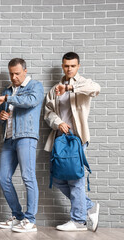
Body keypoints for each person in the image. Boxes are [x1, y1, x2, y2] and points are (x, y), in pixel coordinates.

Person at [44, 52, 101, 232]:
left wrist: (69, 89)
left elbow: (96, 88)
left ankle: (78, 221)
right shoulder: (54, 89)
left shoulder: (84, 83)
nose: (69, 69)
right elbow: (48, 112)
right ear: (62, 66)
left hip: (78, 139)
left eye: (73, 66)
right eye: (66, 66)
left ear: (78, 66)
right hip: (61, 139)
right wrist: (58, 122)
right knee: (59, 178)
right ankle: (88, 206)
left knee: (76, 179)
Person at [0, 58, 44, 233]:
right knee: (2, 177)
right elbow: (3, 116)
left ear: (25, 71)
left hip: (26, 137)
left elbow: (29, 102)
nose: (13, 77)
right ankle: (18, 216)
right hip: (9, 138)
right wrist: (2, 117)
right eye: (11, 73)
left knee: (28, 177)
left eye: (17, 73)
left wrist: (7, 98)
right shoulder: (7, 90)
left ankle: (30, 220)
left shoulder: (35, 86)